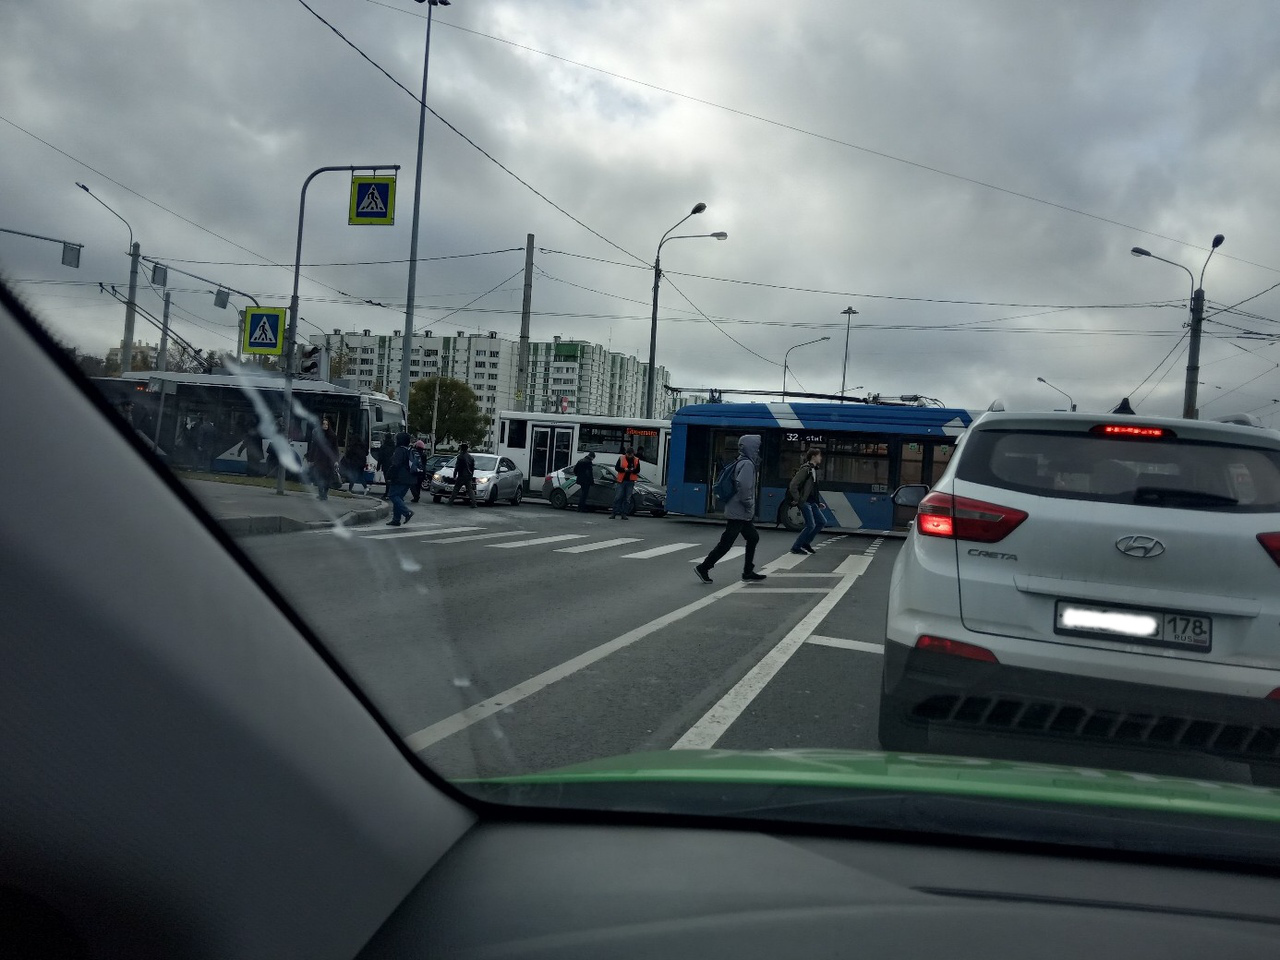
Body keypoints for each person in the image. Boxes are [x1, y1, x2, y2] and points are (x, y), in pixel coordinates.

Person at [694, 434, 767, 584]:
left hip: (738, 510)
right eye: (756, 447)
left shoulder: (741, 461)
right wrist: (749, 504)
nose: (758, 450)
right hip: (739, 510)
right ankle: (704, 567)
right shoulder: (747, 464)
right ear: (751, 447)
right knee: (726, 543)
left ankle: (748, 571)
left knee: (753, 537)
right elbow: (744, 487)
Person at [787, 448, 828, 555]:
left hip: (812, 502)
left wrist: (818, 502)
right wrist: (799, 500)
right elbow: (793, 485)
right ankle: (796, 547)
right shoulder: (806, 469)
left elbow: (812, 489)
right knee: (810, 525)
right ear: (813, 456)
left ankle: (806, 542)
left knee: (822, 522)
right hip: (805, 502)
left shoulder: (814, 469)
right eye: (819, 455)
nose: (821, 458)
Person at [384, 431, 414, 526]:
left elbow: (395, 465)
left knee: (393, 496)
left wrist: (389, 475)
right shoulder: (409, 450)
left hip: (399, 478)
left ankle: (407, 512)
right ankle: (396, 519)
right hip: (409, 478)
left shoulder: (399, 450)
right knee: (398, 497)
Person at [306, 416, 339, 501]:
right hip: (319, 460)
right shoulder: (318, 436)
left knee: (327, 478)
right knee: (319, 477)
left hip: (329, 461)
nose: (325, 426)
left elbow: (335, 449)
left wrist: (336, 460)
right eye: (323, 424)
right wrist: (310, 459)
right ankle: (321, 494)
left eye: (326, 424)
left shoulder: (332, 436)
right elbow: (313, 448)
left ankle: (325, 494)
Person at [610, 445, 641, 520]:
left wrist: (632, 470)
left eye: (631, 454)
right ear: (626, 453)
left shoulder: (636, 460)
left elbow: (638, 470)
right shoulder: (621, 458)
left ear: (633, 454)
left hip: (630, 481)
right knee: (618, 497)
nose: (629, 456)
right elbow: (617, 468)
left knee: (627, 498)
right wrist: (624, 470)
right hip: (621, 481)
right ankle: (614, 513)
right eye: (628, 454)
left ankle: (624, 513)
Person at [449, 442, 477, 507]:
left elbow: (457, 466)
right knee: (470, 490)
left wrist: (454, 475)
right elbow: (472, 468)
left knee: (456, 489)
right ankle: (474, 502)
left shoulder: (460, 456)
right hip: (468, 476)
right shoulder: (471, 457)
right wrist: (471, 475)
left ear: (461, 449)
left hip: (461, 475)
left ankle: (451, 501)